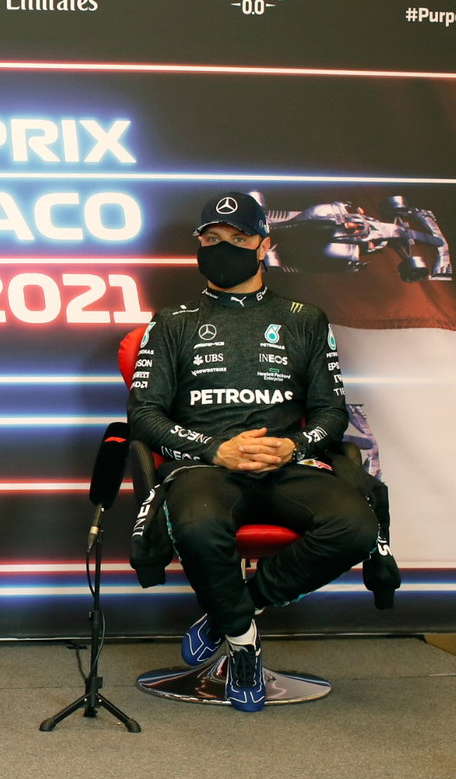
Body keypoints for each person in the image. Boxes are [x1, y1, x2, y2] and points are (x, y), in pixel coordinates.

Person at [127, 191, 377, 712]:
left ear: (264, 245)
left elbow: (332, 413)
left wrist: (291, 445)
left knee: (355, 527)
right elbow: (145, 415)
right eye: (211, 239)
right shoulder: (171, 320)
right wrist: (217, 450)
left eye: (238, 239)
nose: (223, 249)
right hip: (206, 466)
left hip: (287, 465)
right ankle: (243, 645)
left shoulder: (304, 318)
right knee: (195, 525)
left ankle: (228, 614)